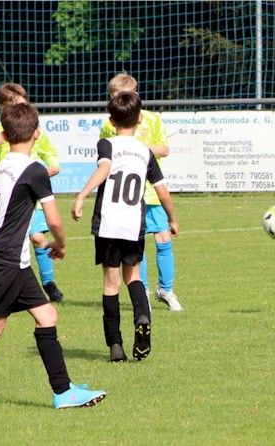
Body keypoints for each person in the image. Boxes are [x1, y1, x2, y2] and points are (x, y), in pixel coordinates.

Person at [0, 104, 106, 410]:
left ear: (2, 135)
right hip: (6, 260)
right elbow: (53, 220)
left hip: (11, 259)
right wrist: (61, 244)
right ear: (37, 134)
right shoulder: (35, 170)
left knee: (47, 316)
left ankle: (63, 391)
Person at [72, 92, 179, 362]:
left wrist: (82, 194)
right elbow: (162, 191)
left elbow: (104, 169)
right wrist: (172, 218)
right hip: (133, 223)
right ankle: (142, 315)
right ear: (140, 118)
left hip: (108, 223)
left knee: (111, 284)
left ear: (111, 120)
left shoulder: (106, 144)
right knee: (134, 277)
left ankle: (115, 346)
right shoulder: (145, 152)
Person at [0, 83, 65, 303]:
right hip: (8, 200)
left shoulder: (34, 131)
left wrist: (53, 167)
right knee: (12, 244)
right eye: (19, 105)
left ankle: (49, 283)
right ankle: (15, 285)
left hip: (31, 196)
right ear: (4, 108)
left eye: (26, 103)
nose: (25, 108)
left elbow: (51, 157)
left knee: (38, 237)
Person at [99, 73, 183, 311]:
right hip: (127, 197)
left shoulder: (153, 120)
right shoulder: (108, 124)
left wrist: (139, 147)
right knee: (137, 245)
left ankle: (166, 291)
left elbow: (164, 149)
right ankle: (142, 291)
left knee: (164, 239)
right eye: (113, 99)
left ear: (135, 96)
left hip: (151, 192)